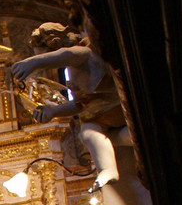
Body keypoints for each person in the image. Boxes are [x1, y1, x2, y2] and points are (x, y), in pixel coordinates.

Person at [10, 22, 129, 191]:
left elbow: (66, 54)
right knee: (88, 133)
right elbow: (80, 105)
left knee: (101, 134)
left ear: (55, 44)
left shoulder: (83, 54)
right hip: (99, 113)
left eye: (44, 55)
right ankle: (107, 169)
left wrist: (33, 62)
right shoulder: (73, 71)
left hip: (117, 104)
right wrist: (53, 111)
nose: (48, 64)